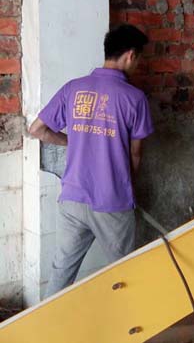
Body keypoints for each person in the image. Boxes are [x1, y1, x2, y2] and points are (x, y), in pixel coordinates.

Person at [29, 24, 153, 297]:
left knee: (61, 273)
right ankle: (124, 322)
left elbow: (36, 129)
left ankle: (47, 320)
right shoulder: (135, 98)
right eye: (138, 60)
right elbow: (135, 153)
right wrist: (127, 189)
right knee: (124, 276)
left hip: (72, 197)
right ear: (130, 55)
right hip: (112, 200)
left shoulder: (73, 89)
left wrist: (72, 140)